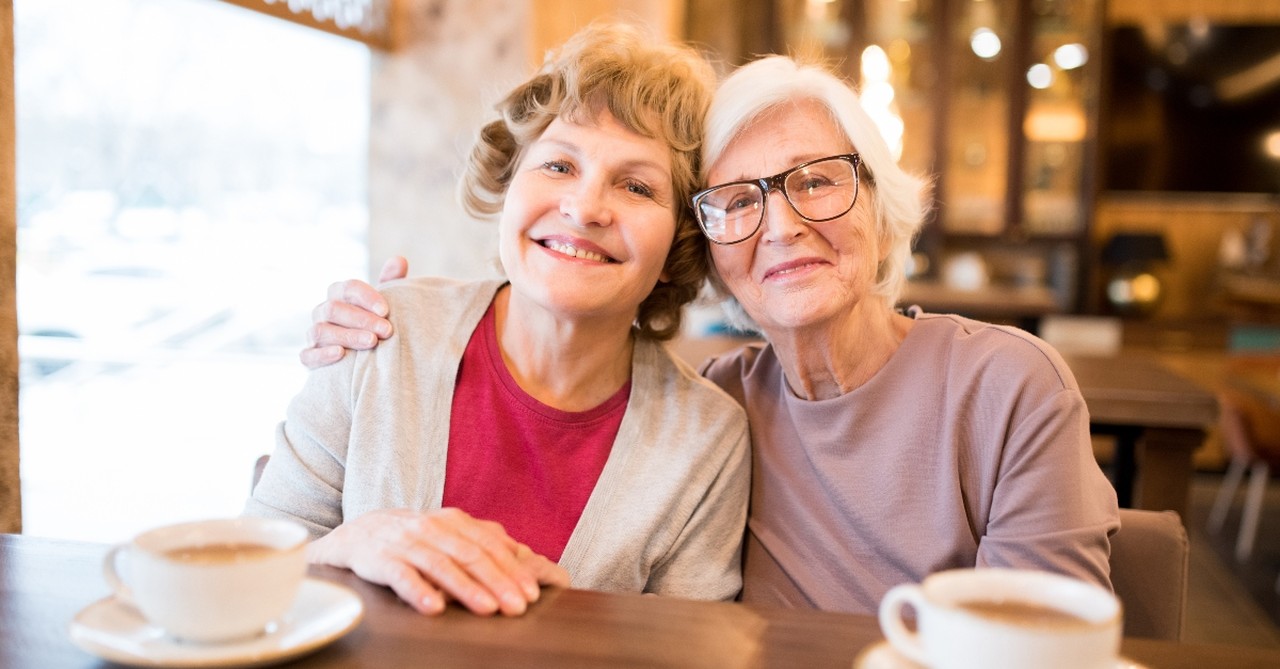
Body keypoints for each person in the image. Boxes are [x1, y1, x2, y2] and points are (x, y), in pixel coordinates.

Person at [303, 54, 1119, 615]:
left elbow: (1045, 642)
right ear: (709, 247)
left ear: (877, 202)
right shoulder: (722, 408)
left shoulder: (1003, 387)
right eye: (738, 199)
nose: (784, 225)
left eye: (818, 181)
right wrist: (368, 340)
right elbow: (274, 532)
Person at [249, 22, 750, 618]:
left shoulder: (706, 440)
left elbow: (687, 653)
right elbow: (253, 568)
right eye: (559, 166)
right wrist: (346, 545)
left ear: (679, 246)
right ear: (511, 182)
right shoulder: (380, 331)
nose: (584, 208)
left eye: (636, 186)